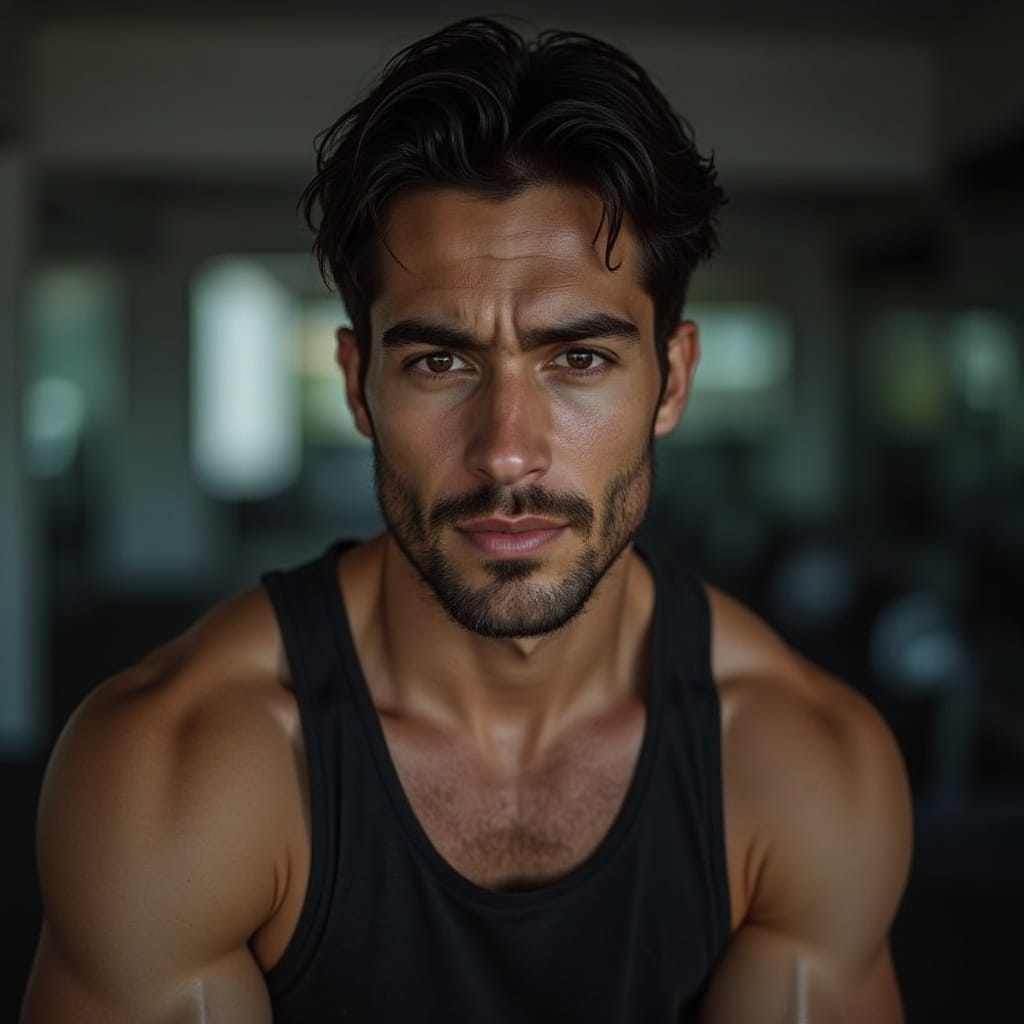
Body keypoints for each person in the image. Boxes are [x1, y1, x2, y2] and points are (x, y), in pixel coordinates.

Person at [21, 18, 913, 1024]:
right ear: (358, 385)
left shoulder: (803, 766)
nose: (506, 452)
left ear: (672, 382)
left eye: (579, 359)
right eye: (440, 361)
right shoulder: (175, 772)